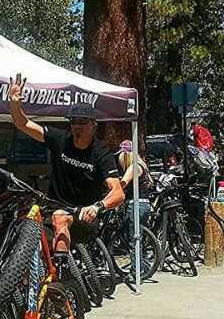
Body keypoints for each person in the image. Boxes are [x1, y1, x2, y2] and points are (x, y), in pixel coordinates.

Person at [8, 73, 125, 252]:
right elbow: (23, 124)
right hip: (52, 209)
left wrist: (97, 206)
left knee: (60, 218)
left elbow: (118, 193)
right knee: (26, 236)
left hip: (84, 217)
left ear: (94, 125)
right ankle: (28, 279)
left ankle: (62, 275)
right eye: (73, 122)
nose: (77, 126)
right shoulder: (60, 139)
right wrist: (15, 104)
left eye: (82, 122)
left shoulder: (100, 152)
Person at [116, 140, 153, 228]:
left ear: (126, 156)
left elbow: (123, 183)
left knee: (133, 236)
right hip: (143, 203)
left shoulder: (133, 167)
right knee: (139, 235)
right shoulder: (142, 166)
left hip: (136, 205)